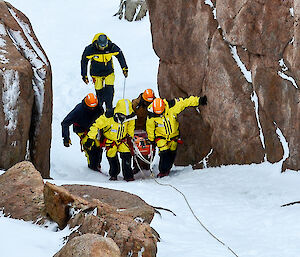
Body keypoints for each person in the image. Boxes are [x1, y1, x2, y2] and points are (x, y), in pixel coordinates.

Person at [146, 95, 207, 178]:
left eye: (161, 112)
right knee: (164, 153)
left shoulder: (173, 106)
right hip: (161, 137)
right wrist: (151, 139)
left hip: (173, 136)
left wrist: (199, 100)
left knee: (172, 153)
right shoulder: (151, 115)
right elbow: (150, 128)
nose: (159, 114)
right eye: (157, 113)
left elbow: (185, 102)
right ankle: (163, 171)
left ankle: (167, 169)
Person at [84, 99, 137, 181]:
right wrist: (90, 138)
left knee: (127, 156)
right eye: (123, 116)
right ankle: (114, 174)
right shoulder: (107, 117)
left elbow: (131, 126)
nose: (124, 118)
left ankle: (128, 176)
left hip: (123, 140)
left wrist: (130, 137)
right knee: (112, 158)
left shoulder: (130, 117)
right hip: (110, 141)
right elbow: (95, 126)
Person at [81, 33, 128, 110]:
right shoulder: (90, 49)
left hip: (108, 71)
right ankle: (99, 109)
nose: (103, 48)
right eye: (101, 46)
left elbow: (120, 56)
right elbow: (84, 61)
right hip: (96, 73)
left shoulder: (111, 47)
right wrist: (84, 75)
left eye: (104, 45)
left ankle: (109, 108)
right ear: (97, 44)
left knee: (109, 90)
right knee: (99, 92)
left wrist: (124, 68)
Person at [61, 93, 104, 172]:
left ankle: (97, 164)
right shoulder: (78, 110)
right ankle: (92, 167)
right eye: (90, 108)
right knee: (90, 147)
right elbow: (65, 123)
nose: (92, 109)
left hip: (94, 129)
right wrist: (66, 138)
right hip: (82, 130)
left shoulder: (98, 107)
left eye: (94, 107)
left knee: (98, 147)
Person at [132, 89, 155, 172]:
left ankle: (147, 164)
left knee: (150, 147)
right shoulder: (135, 104)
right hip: (136, 128)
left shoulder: (155, 104)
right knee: (137, 148)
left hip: (149, 129)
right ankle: (136, 166)